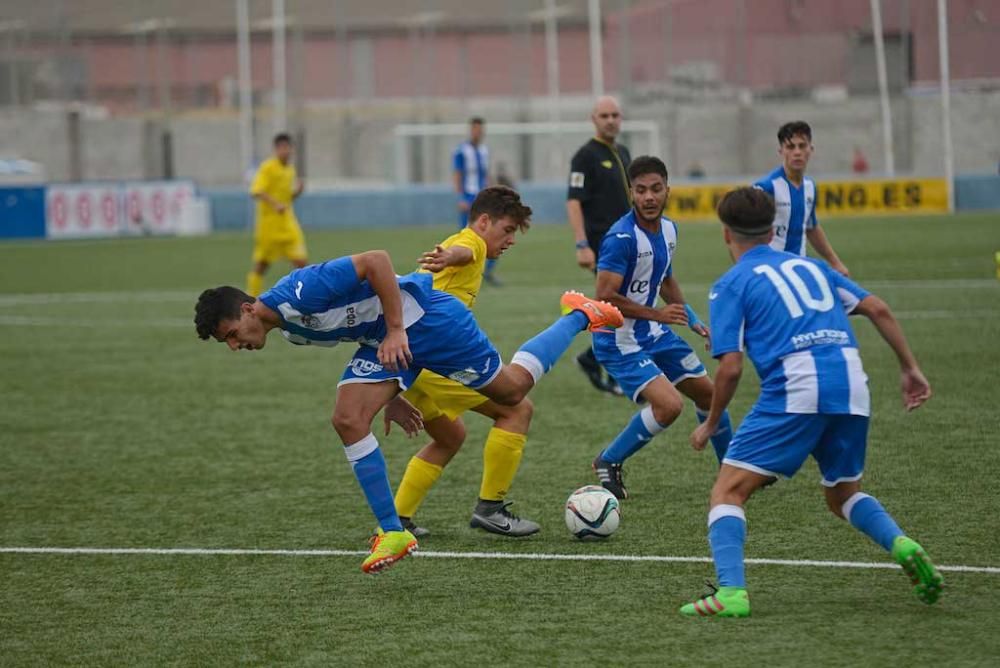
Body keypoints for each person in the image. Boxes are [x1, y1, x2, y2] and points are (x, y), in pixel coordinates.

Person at [194, 254, 622, 575]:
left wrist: (397, 331)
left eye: (232, 335)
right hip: (389, 343)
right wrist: (391, 392)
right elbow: (354, 332)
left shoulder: (299, 291)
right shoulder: (290, 331)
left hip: (429, 322)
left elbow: (376, 262)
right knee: (347, 418)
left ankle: (580, 314)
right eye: (227, 343)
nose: (236, 346)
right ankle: (393, 531)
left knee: (512, 392)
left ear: (248, 309)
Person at [679, 187, 942, 618]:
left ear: (727, 234)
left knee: (727, 490)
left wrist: (712, 422)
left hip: (797, 386)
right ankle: (902, 543)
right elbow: (878, 309)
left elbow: (730, 368)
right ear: (771, 230)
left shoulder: (731, 284)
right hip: (852, 382)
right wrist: (910, 368)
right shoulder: (813, 267)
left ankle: (730, 594)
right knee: (842, 494)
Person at [391, 186, 538, 538]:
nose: (510, 240)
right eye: (507, 230)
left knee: (449, 436)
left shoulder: (464, 243)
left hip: (410, 363)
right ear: (484, 221)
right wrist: (449, 256)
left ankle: (396, 520)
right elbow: (463, 251)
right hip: (434, 361)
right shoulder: (469, 241)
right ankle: (491, 508)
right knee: (517, 409)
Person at [590, 156, 733, 499]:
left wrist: (692, 318)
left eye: (656, 189)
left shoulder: (669, 229)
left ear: (668, 190)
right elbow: (603, 297)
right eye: (641, 191)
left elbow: (664, 276)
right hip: (618, 339)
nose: (649, 197)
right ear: (631, 194)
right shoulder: (620, 239)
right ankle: (608, 461)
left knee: (710, 395)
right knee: (669, 407)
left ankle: (732, 470)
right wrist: (657, 315)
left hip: (653, 334)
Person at [567, 95, 633, 396]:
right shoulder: (585, 156)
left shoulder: (622, 152)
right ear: (593, 119)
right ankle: (618, 372)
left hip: (628, 243)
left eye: (615, 115)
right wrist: (582, 243)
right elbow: (574, 201)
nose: (610, 120)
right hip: (602, 245)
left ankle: (593, 359)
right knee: (617, 305)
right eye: (604, 115)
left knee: (627, 307)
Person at [754, 121, 849, 276]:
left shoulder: (810, 186)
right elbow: (745, 231)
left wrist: (835, 262)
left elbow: (811, 227)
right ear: (781, 151)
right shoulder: (766, 187)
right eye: (790, 147)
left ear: (811, 149)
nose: (797, 152)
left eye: (802, 146)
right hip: (772, 272)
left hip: (799, 268)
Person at [246, 133, 307, 297]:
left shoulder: (290, 169)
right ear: (275, 150)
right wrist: (275, 204)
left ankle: (303, 298)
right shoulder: (268, 167)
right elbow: (256, 191)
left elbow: (287, 199)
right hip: (269, 227)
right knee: (262, 265)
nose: (284, 151)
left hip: (288, 224)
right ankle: (251, 298)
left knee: (302, 263)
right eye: (281, 148)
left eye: (287, 147)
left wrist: (297, 192)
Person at [453, 117, 499, 285]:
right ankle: (461, 271)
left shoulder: (484, 150)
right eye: (475, 129)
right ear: (470, 130)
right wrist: (460, 197)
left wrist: (493, 190)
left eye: (480, 130)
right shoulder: (461, 151)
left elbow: (486, 173)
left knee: (494, 232)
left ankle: (487, 271)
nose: (478, 133)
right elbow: (457, 174)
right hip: (468, 198)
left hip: (482, 197)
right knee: (466, 235)